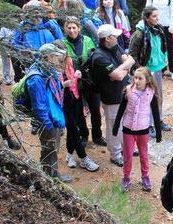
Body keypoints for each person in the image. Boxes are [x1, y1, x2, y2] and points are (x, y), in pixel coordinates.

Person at [89, 24, 136, 166]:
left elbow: (131, 60)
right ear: (108, 39)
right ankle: (115, 154)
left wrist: (122, 69)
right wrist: (123, 68)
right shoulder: (99, 56)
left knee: (125, 122)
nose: (117, 37)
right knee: (114, 125)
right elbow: (118, 75)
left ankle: (124, 147)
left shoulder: (114, 47)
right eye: (115, 36)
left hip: (122, 92)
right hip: (111, 97)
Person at [26, 43, 71, 183]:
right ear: (49, 57)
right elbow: (39, 106)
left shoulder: (45, 70)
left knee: (52, 148)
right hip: (47, 121)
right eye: (56, 56)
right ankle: (51, 178)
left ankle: (50, 174)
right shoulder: (36, 78)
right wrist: (49, 126)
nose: (59, 59)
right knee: (49, 148)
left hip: (52, 117)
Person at [113, 67, 162, 191]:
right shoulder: (128, 91)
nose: (137, 81)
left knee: (144, 155)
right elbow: (121, 110)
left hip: (143, 129)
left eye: (140, 78)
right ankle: (126, 177)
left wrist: (158, 131)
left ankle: (145, 176)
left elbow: (155, 113)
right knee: (128, 155)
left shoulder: (151, 93)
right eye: (135, 78)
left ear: (147, 80)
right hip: (128, 129)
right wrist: (116, 125)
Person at [55, 36, 99, 173]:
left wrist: (76, 75)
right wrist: (62, 85)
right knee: (73, 129)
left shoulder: (69, 61)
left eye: (63, 53)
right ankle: (84, 158)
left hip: (75, 96)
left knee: (74, 128)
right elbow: (50, 88)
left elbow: (73, 79)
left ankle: (69, 154)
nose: (61, 56)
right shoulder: (50, 67)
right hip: (61, 101)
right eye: (58, 54)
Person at [61, 16, 105, 147]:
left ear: (79, 28)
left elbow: (94, 57)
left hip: (90, 82)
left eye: (74, 27)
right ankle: (84, 134)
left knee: (95, 110)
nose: (72, 30)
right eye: (69, 28)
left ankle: (97, 136)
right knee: (79, 112)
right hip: (74, 85)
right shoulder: (63, 44)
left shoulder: (87, 40)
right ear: (65, 29)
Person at [128, 5, 171, 132]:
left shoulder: (158, 30)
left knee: (157, 96)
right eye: (154, 16)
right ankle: (148, 124)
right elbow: (132, 54)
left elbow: (162, 47)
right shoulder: (139, 34)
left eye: (158, 16)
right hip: (145, 70)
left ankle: (158, 120)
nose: (157, 18)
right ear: (147, 18)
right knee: (145, 98)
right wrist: (140, 71)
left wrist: (165, 59)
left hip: (157, 69)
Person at [11, 2, 63, 81]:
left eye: (37, 12)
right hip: (31, 66)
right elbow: (14, 45)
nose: (35, 16)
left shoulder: (50, 24)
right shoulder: (22, 26)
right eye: (32, 12)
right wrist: (24, 50)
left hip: (51, 63)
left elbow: (61, 41)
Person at [145, 0, 173, 73]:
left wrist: (172, 26)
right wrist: (147, 22)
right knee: (158, 47)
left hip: (168, 25)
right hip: (155, 24)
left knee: (170, 47)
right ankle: (161, 68)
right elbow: (148, 8)